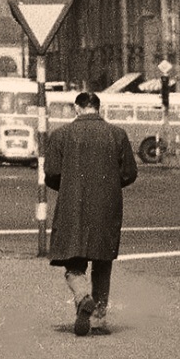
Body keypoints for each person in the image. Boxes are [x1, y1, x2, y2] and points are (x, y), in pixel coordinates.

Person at [44, 91, 138, 337]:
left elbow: (52, 173)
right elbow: (129, 173)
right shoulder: (117, 134)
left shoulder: (61, 135)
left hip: (72, 205)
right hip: (106, 207)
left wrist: (68, 187)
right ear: (98, 108)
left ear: (77, 109)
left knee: (74, 265)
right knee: (103, 263)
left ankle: (82, 296)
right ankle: (97, 318)